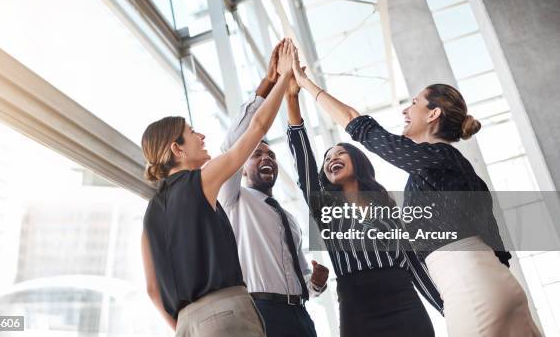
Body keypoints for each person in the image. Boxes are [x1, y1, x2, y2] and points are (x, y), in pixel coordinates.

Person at [290, 49, 541, 336]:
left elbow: (359, 126)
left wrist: (304, 83)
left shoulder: (435, 158)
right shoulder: (454, 167)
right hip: (500, 283)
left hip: (469, 287)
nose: (405, 110)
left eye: (414, 103)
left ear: (433, 114)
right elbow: (497, 245)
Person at [139, 39, 296, 337]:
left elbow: (151, 289)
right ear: (177, 149)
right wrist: (286, 76)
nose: (201, 136)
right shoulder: (200, 181)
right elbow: (257, 129)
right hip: (227, 311)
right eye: (191, 132)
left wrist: (187, 325)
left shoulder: (150, 212)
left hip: (187, 325)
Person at [286, 68, 442, 337]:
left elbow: (413, 262)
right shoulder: (323, 206)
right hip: (357, 306)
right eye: (327, 158)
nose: (332, 158)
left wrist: (445, 306)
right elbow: (303, 162)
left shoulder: (387, 205)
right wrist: (292, 98)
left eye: (340, 152)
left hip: (404, 301)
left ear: (357, 161)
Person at [218, 41, 329, 337]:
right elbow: (233, 144)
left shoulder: (289, 218)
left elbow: (301, 279)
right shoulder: (232, 200)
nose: (266, 157)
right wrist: (269, 83)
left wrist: (316, 283)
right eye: (256, 154)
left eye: (272, 156)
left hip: (301, 316)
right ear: (241, 167)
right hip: (260, 314)